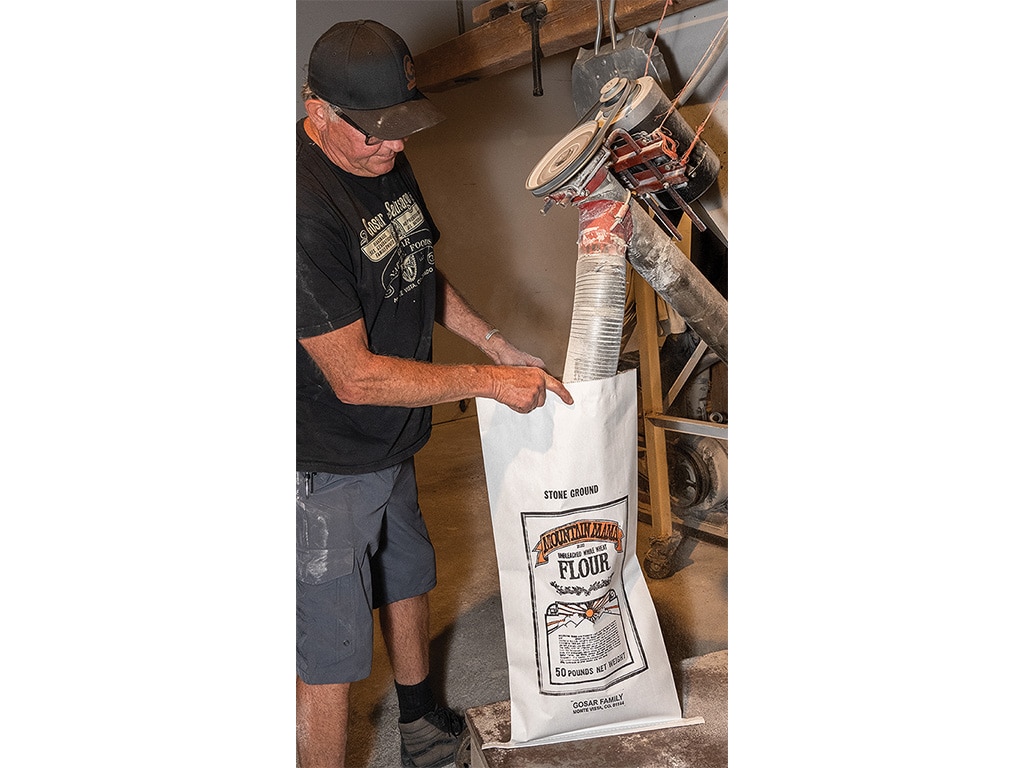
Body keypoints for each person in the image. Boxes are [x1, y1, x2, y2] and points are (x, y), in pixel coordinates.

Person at [296, 19, 574, 768]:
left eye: (402, 129)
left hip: (395, 435)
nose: (393, 148)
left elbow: (414, 265)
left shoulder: (382, 156)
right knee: (330, 654)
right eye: (375, 134)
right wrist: (488, 383)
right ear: (317, 109)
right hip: (322, 461)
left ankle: (421, 722)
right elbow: (353, 376)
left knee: (407, 573)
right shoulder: (297, 209)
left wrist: (491, 342)